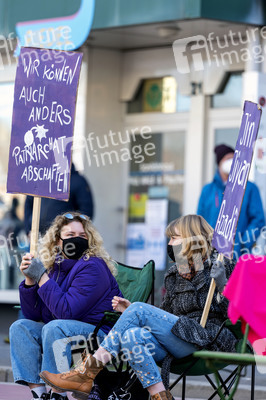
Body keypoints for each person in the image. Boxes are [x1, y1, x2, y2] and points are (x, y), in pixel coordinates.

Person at [40, 214, 237, 400]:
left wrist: (222, 286)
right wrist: (131, 311)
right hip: (178, 338)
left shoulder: (221, 265)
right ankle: (160, 396)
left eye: (174, 238)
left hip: (206, 337)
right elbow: (167, 315)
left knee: (139, 309)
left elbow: (236, 314)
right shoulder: (175, 272)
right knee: (131, 335)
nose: (169, 244)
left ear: (191, 240)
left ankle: (87, 371)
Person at [9, 212, 123, 400]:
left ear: (90, 240)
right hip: (63, 330)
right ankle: (39, 394)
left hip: (99, 335)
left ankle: (58, 394)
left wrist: (42, 277)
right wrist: (30, 280)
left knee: (55, 327)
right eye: (70, 235)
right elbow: (33, 314)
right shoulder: (55, 266)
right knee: (21, 327)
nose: (76, 240)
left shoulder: (92, 265)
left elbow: (66, 312)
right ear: (57, 240)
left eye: (82, 236)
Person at [197, 144, 265, 258]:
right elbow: (199, 221)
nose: (232, 162)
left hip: (238, 256)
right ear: (220, 163)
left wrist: (243, 243)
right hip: (211, 255)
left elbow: (258, 220)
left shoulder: (249, 189)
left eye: (234, 159)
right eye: (228, 159)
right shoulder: (208, 190)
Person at [24, 164, 94, 235]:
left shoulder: (77, 181)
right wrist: (28, 230)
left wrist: (71, 233)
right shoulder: (39, 179)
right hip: (38, 237)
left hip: (63, 239)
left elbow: (86, 211)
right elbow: (28, 204)